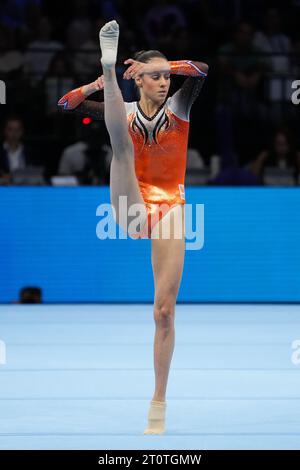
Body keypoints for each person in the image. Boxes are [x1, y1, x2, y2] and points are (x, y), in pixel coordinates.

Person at [58, 20, 208, 434]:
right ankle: (108, 68)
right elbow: (65, 105)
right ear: (138, 81)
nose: (164, 82)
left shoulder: (179, 107)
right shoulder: (124, 110)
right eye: (155, 77)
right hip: (129, 202)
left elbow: (200, 69)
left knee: (163, 312)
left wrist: (162, 65)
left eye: (165, 76)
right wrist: (96, 84)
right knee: (121, 144)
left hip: (169, 208)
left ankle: (158, 402)